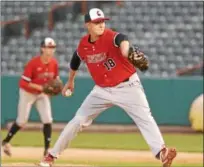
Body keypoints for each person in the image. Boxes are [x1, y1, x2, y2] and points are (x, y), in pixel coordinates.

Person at [38, 8, 177, 167]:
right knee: (78, 120)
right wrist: (71, 81)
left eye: (103, 21)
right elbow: (76, 59)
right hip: (101, 90)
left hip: (128, 87)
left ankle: (162, 153)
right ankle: (51, 156)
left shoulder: (111, 36)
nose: (101, 25)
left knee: (145, 118)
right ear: (88, 25)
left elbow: (122, 40)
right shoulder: (84, 44)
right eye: (97, 22)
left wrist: (126, 51)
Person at [2, 37, 59, 156]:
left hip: (42, 94)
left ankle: (46, 150)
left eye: (53, 47)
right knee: (22, 121)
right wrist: (41, 88)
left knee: (48, 119)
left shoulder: (54, 63)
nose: (50, 50)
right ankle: (6, 142)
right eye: (48, 47)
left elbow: (55, 79)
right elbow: (23, 83)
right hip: (28, 93)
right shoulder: (33, 63)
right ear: (42, 48)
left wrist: (55, 88)